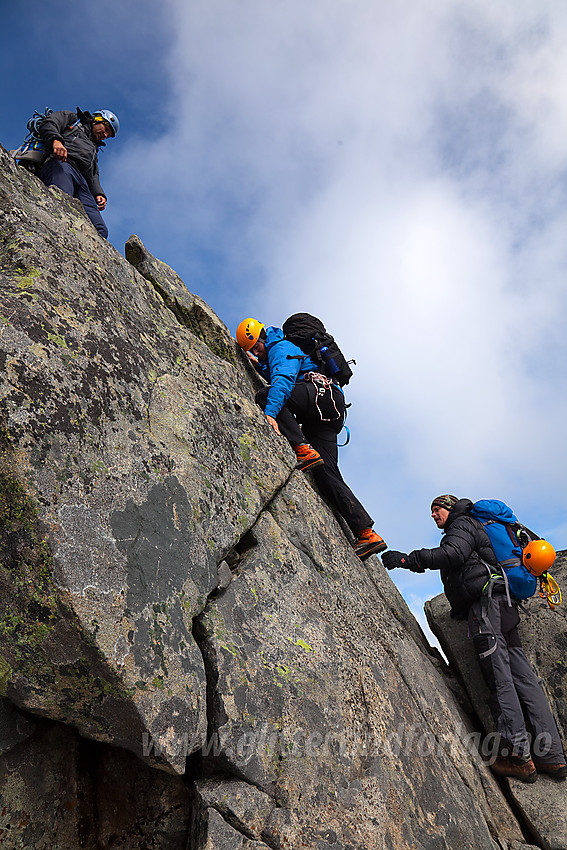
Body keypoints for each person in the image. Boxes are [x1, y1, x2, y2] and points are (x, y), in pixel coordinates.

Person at [382, 495, 567, 783]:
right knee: (524, 678)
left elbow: (452, 555)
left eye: (437, 509)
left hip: (487, 609)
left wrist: (408, 559)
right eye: (431, 511)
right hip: (505, 604)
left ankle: (519, 756)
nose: (433, 515)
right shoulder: (477, 526)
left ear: (450, 506)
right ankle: (552, 756)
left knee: (499, 676)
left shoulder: (461, 524)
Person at [235, 318, 387, 560]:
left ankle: (301, 447)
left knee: (267, 396)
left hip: (320, 399)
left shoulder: (280, 347)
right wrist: (259, 365)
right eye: (251, 351)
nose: (256, 353)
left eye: (256, 347)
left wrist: (271, 414)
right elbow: (284, 371)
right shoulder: (279, 352)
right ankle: (367, 533)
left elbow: (283, 382)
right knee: (326, 472)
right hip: (329, 410)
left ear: (263, 338)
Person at [38, 108, 119, 239]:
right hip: (62, 164)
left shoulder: (93, 149)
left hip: (81, 181)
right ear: (97, 120)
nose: (105, 135)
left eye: (108, 135)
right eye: (106, 129)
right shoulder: (73, 119)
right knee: (61, 201)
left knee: (101, 230)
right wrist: (56, 140)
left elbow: (93, 174)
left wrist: (99, 193)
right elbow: (50, 123)